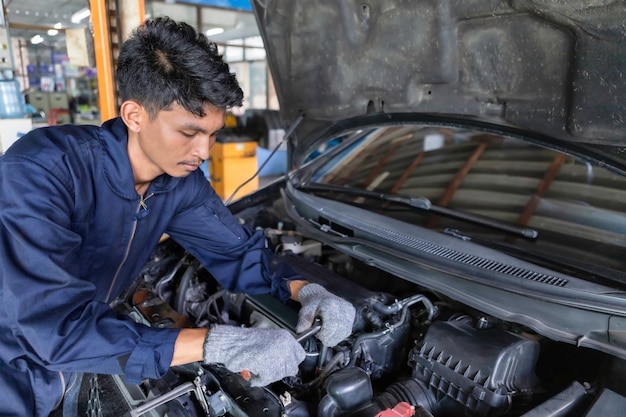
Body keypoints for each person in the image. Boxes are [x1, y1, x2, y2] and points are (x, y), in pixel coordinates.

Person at [0, 17, 356, 416]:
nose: (203, 151)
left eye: (213, 133)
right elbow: (53, 328)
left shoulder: (178, 183)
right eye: (189, 132)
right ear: (134, 115)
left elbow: (238, 254)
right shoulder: (41, 171)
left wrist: (306, 290)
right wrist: (216, 343)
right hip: (13, 367)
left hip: (86, 357)